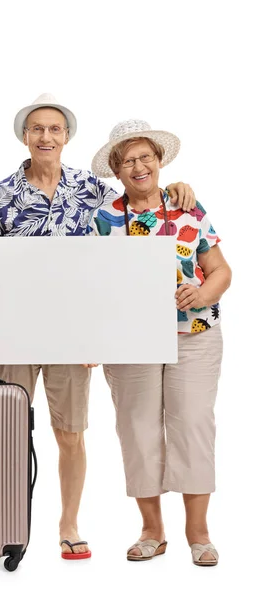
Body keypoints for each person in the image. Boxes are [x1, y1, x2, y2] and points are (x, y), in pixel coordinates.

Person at [0, 95, 196, 560]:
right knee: (6, 429)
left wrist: (178, 189)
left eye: (54, 129)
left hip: (72, 331)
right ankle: (0, 522)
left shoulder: (90, 188)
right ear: (24, 137)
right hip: (14, 328)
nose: (45, 137)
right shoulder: (0, 193)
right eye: (36, 129)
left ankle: (68, 523)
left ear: (66, 136)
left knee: (70, 433)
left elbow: (138, 208)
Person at [88, 119, 232, 566]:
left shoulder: (188, 205)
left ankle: (199, 533)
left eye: (145, 156)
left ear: (159, 160)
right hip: (130, 340)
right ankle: (152, 531)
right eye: (127, 160)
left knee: (192, 425)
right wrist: (91, 336)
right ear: (116, 170)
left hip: (195, 334)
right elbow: (91, 284)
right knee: (137, 429)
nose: (138, 165)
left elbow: (222, 270)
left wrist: (204, 292)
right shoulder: (104, 218)